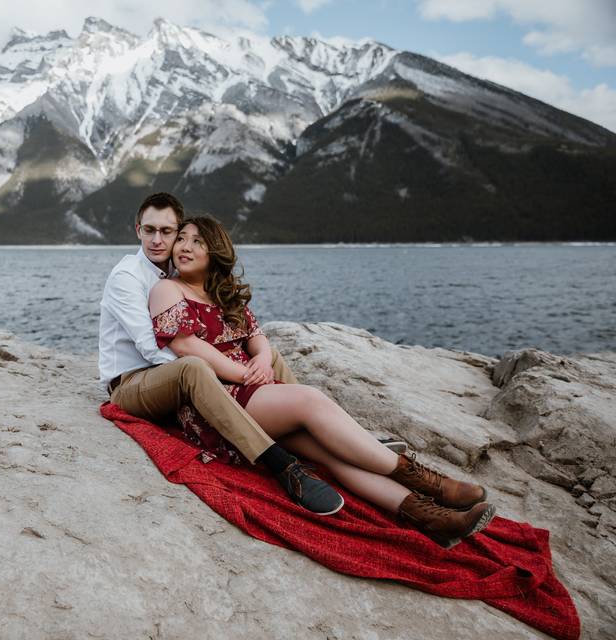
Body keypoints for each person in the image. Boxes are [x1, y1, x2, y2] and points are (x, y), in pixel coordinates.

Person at [147, 216, 496, 548]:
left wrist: (263, 361)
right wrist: (247, 373)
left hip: (257, 392)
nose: (184, 246)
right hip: (219, 400)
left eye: (197, 241)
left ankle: (431, 518)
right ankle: (430, 482)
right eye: (182, 238)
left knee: (334, 455)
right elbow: (185, 345)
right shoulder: (168, 288)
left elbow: (258, 338)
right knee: (310, 400)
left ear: (215, 252)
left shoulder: (222, 293)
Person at [100, 192, 354, 515]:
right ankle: (281, 464)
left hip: (166, 380)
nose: (157, 240)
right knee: (193, 367)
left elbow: (244, 334)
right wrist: (224, 373)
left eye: (167, 232)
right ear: (137, 229)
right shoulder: (128, 277)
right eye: (149, 230)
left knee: (265, 358)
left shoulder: (172, 272)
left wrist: (246, 363)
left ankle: (329, 434)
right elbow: (151, 349)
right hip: (130, 384)